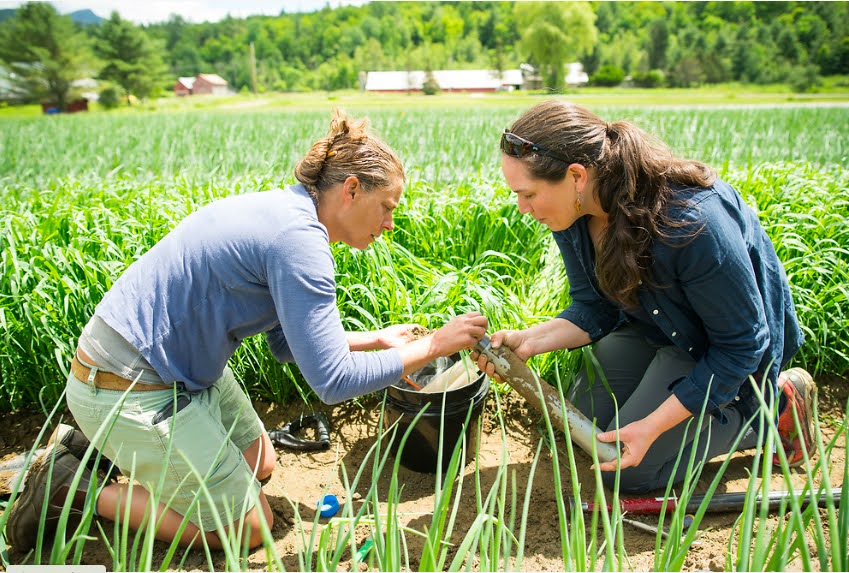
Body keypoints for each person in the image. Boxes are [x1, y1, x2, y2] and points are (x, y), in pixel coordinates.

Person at [6, 109, 488, 551]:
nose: (388, 223)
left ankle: (106, 450)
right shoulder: (298, 243)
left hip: (174, 370)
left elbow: (286, 346)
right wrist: (433, 345)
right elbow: (332, 381)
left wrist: (378, 340)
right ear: (352, 188)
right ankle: (75, 485)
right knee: (247, 528)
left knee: (261, 464)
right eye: (386, 206)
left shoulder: (289, 215)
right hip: (129, 383)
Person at [474, 100, 815, 494]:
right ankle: (670, 397)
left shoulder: (692, 223)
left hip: (713, 349)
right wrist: (529, 340)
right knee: (584, 429)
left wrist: (653, 426)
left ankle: (770, 413)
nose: (522, 207)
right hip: (654, 328)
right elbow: (594, 307)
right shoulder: (573, 213)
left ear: (576, 176)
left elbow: (740, 346)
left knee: (624, 469)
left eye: (528, 193)